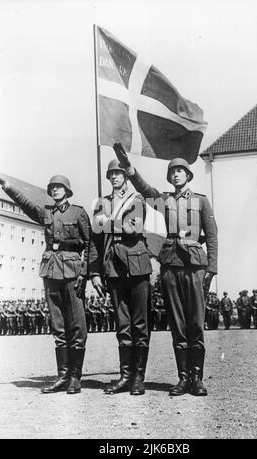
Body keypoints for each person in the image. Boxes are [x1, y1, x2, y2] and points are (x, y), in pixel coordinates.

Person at [113, 143, 218, 397]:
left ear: (188, 176)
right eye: (173, 172)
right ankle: (183, 379)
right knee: (178, 324)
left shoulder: (201, 202)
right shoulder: (164, 200)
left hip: (195, 265)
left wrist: (211, 269)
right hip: (170, 265)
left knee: (196, 323)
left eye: (181, 171)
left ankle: (197, 378)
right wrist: (130, 169)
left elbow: (212, 235)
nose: (177, 175)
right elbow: (144, 188)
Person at [0, 172, 99, 394]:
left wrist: (85, 273)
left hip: (72, 272)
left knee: (77, 325)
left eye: (59, 187)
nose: (54, 190)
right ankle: (62, 376)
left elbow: (90, 245)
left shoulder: (78, 212)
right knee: (58, 324)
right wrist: (5, 185)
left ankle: (75, 378)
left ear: (67, 191)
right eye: (52, 187)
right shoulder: (46, 213)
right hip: (51, 271)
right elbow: (25, 204)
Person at [91, 159, 152, 396]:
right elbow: (95, 242)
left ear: (126, 176)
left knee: (139, 324)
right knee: (122, 325)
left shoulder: (136, 199)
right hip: (113, 268)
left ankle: (138, 378)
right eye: (111, 174)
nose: (115, 177)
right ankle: (125, 376)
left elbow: (133, 228)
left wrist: (107, 223)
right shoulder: (102, 203)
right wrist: (95, 272)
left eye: (118, 173)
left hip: (136, 265)